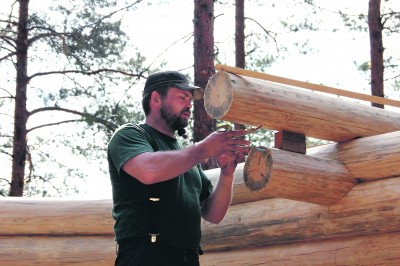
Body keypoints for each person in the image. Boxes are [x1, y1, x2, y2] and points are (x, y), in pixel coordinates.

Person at [107, 70, 250, 266]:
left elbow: (213, 214)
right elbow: (149, 171)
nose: (190, 105)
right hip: (144, 257)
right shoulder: (130, 135)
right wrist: (204, 148)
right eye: (182, 97)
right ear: (156, 99)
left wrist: (227, 174)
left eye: (191, 100)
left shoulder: (186, 157)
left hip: (188, 259)